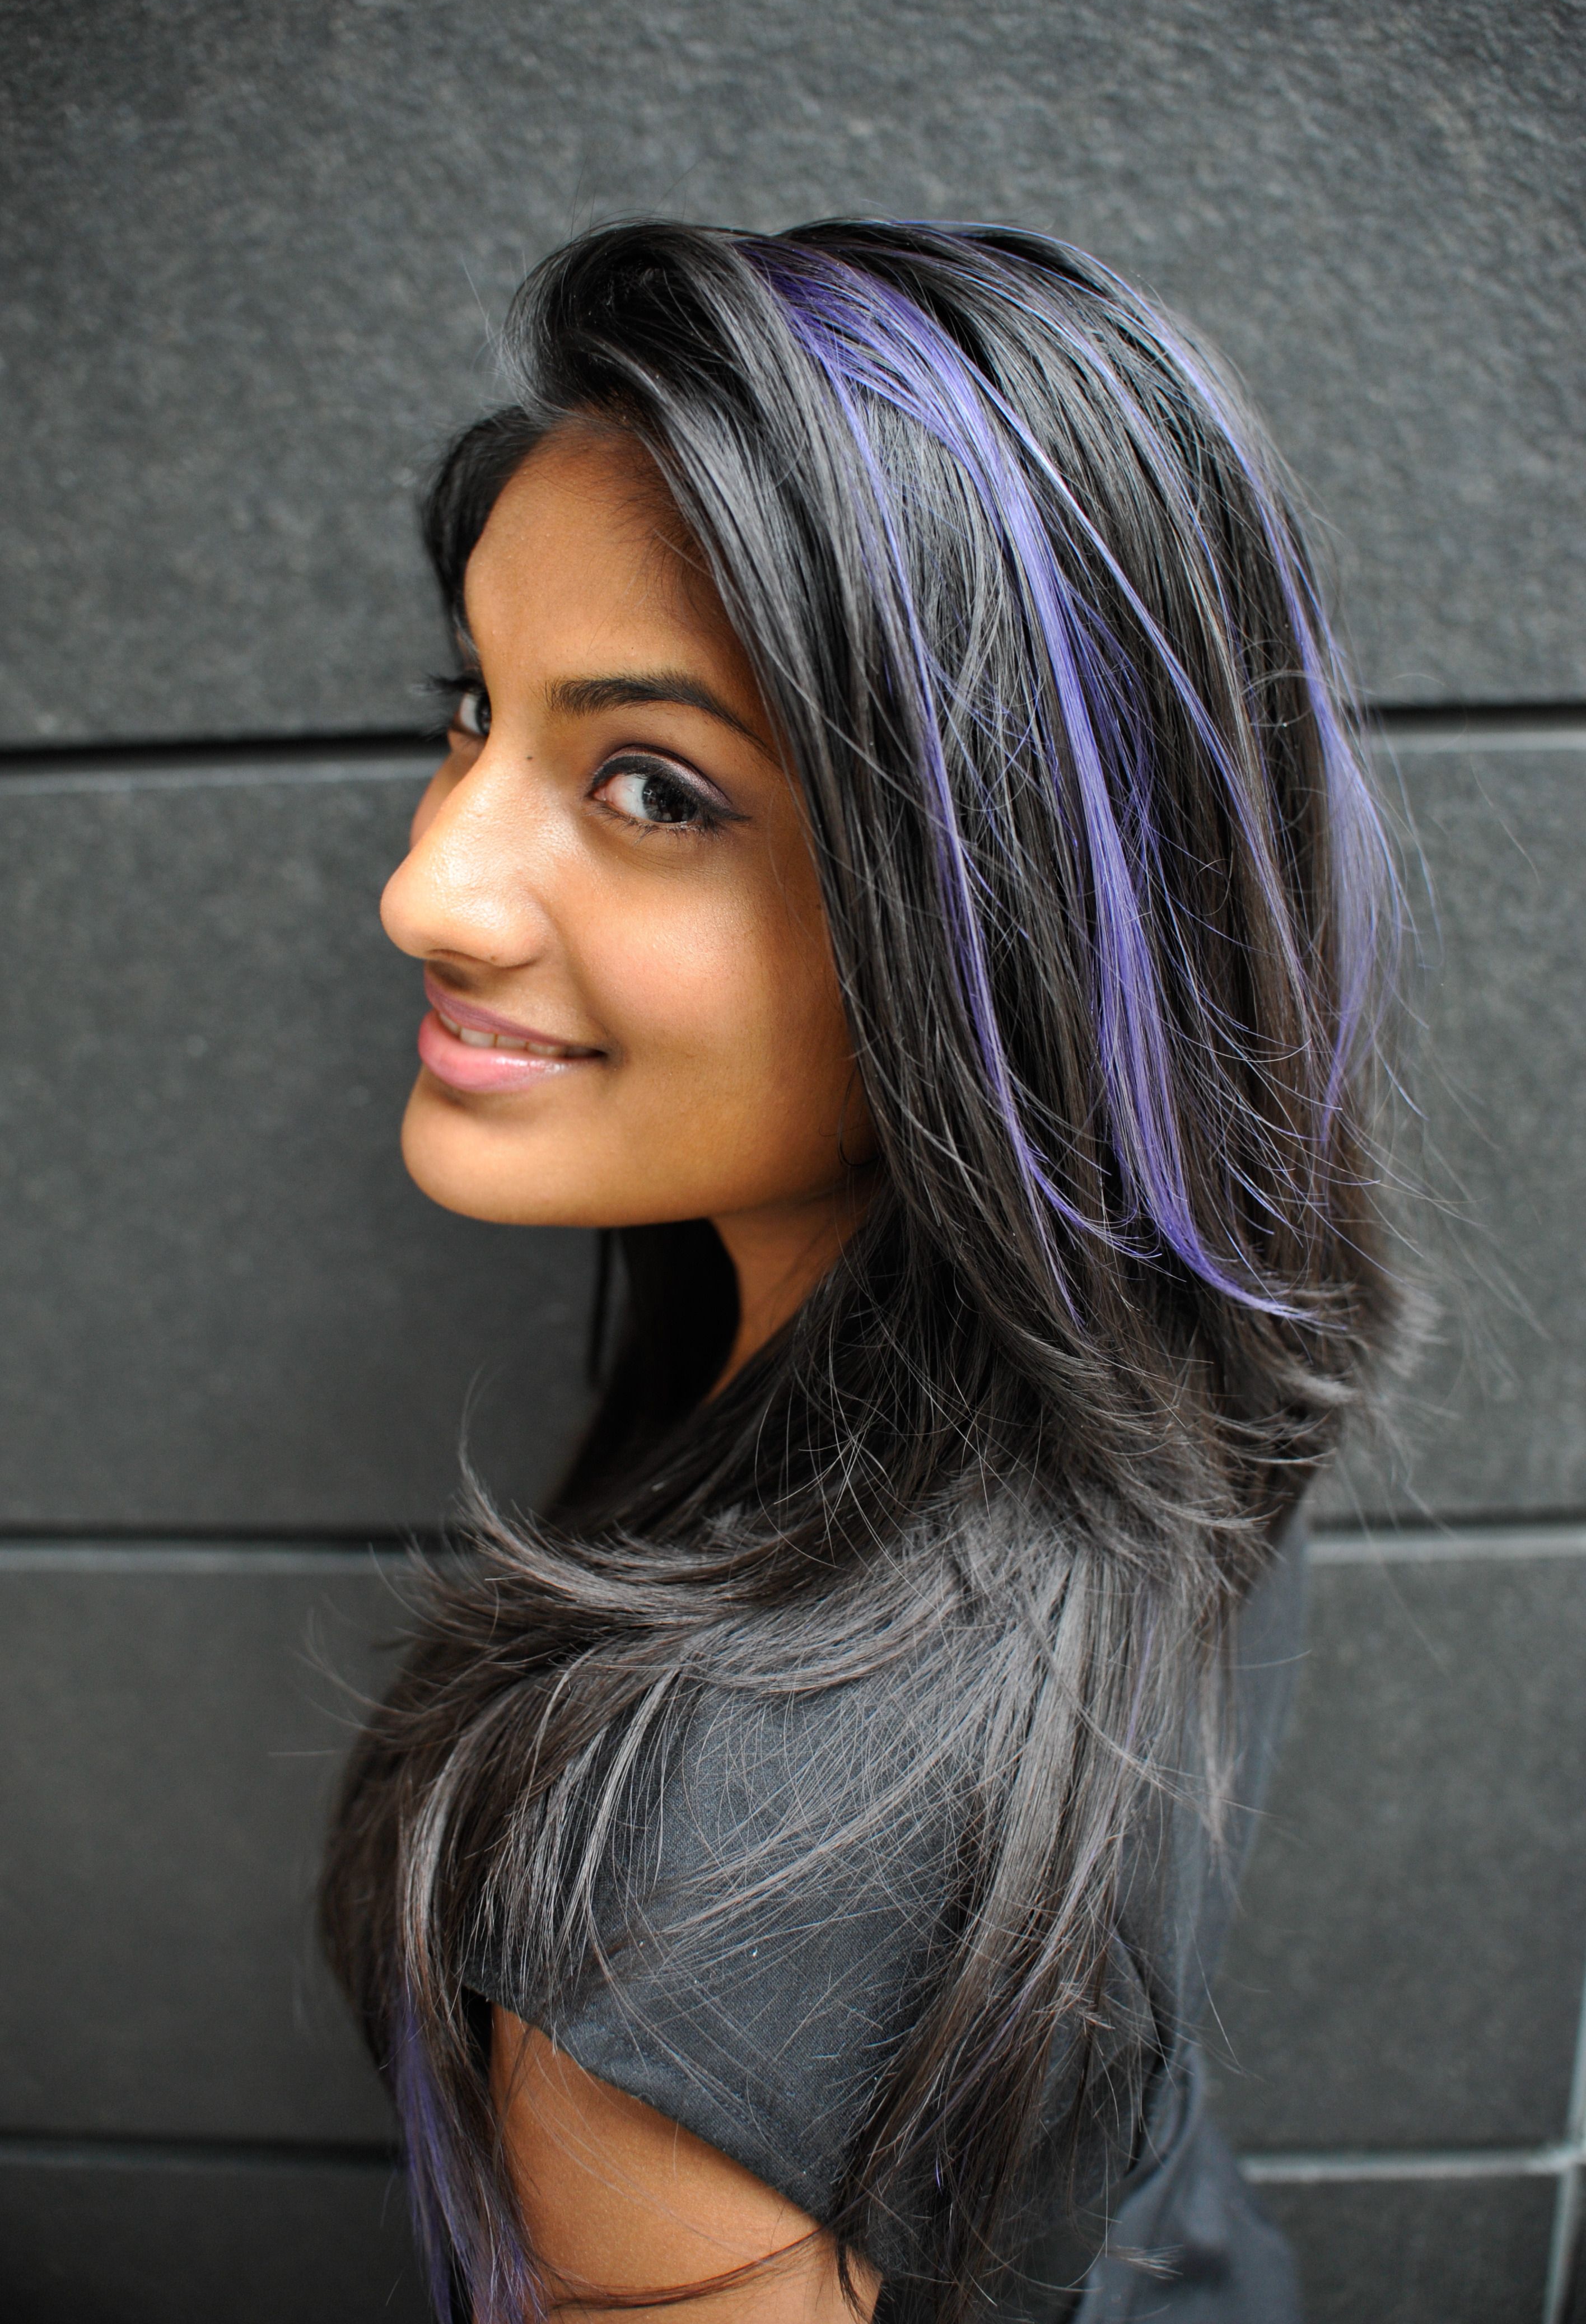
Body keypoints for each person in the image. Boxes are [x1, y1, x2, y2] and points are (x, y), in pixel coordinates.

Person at [321, 220, 1402, 2324]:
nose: (426, 887)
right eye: (473, 711)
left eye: (652, 785)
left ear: (1005, 914)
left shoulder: (690, 1892)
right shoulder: (1187, 1370)